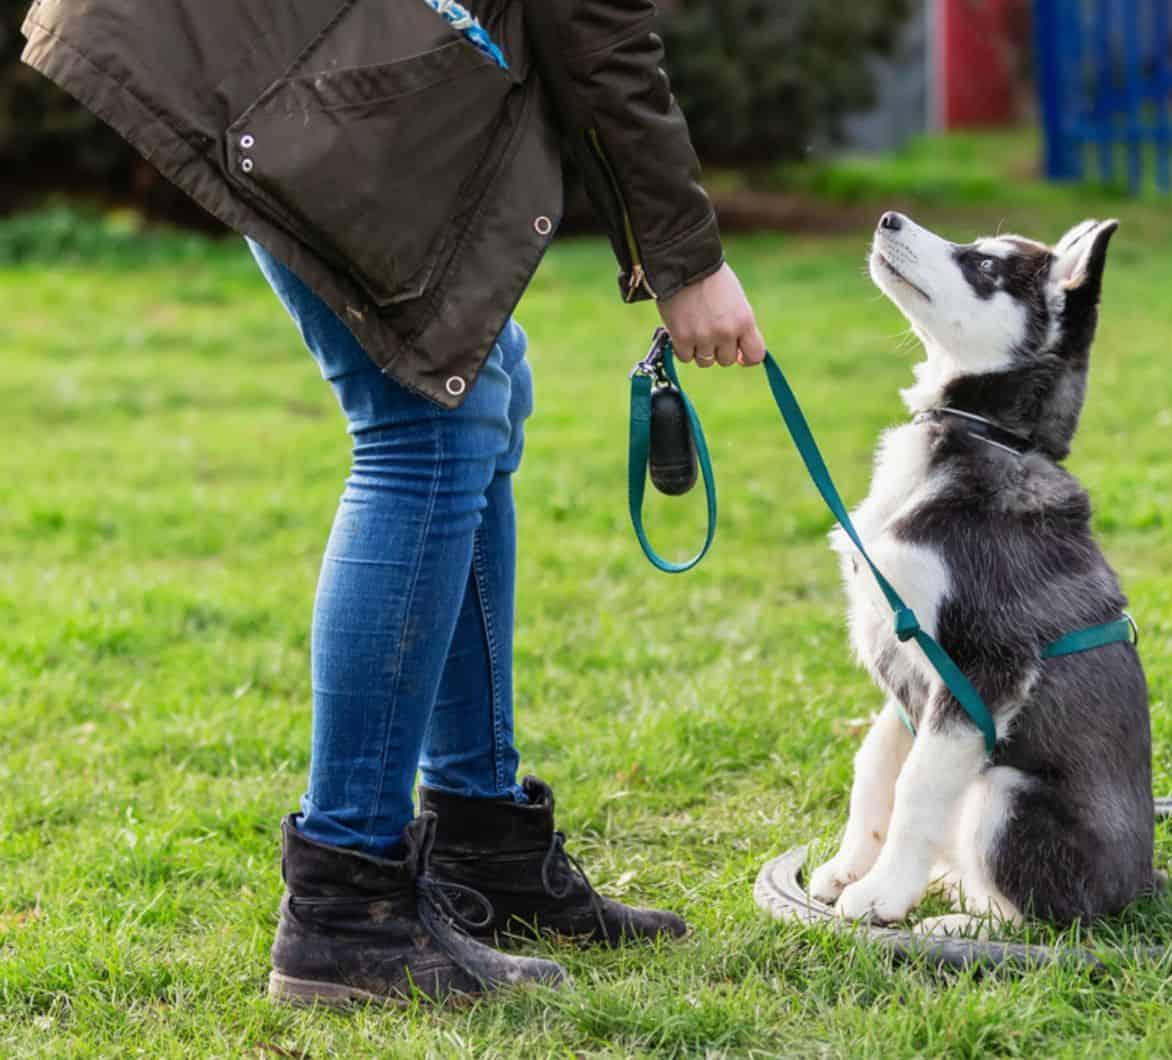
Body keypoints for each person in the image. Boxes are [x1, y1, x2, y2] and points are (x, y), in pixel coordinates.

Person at [21, 0, 765, 1005]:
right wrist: (688, 262)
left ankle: (482, 842)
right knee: (424, 428)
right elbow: (593, 30)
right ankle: (346, 907)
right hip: (267, 45)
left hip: (294, 40)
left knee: (477, 381)